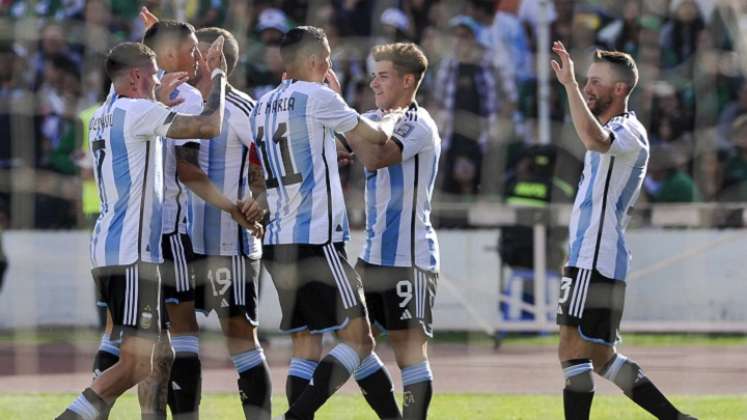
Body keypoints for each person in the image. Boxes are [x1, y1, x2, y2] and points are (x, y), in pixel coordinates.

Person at [55, 37, 240, 420]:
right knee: (138, 363)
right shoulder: (140, 112)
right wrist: (218, 73)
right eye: (155, 74)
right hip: (134, 254)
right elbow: (209, 125)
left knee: (149, 353)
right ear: (138, 76)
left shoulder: (106, 114)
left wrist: (159, 98)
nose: (160, 81)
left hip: (108, 250)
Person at [244, 26, 400, 420]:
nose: (330, 64)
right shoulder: (319, 96)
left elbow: (271, 164)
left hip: (277, 243)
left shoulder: (262, 105)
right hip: (316, 241)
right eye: (327, 57)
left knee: (307, 347)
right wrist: (394, 116)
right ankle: (295, 417)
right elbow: (377, 137)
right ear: (315, 61)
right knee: (360, 339)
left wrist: (329, 153)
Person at [550, 41, 697, 420]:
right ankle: (676, 419)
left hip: (596, 257)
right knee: (600, 357)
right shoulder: (611, 128)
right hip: (590, 255)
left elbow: (593, 140)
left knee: (571, 348)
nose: (586, 86)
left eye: (595, 81)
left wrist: (566, 85)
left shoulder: (627, 130)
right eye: (586, 80)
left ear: (619, 89)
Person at [173, 26, 270, 420]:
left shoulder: (246, 109)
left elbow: (269, 167)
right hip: (180, 241)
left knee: (241, 341)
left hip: (229, 244)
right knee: (180, 341)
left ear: (214, 58)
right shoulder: (180, 102)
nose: (192, 58)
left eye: (198, 52)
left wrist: (258, 201)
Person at [344, 42, 440, 420]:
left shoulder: (418, 123)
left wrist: (346, 128)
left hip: (409, 257)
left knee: (408, 353)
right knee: (351, 340)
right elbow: (333, 147)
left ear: (407, 80)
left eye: (383, 76)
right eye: (373, 75)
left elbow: (376, 157)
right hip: (372, 255)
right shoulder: (372, 118)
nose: (374, 83)